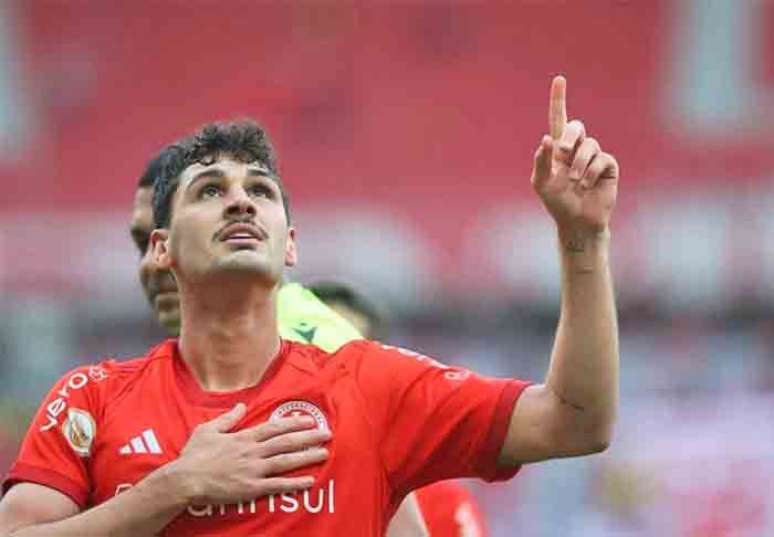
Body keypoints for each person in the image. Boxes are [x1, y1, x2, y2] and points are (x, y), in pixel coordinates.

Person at [0, 76, 620, 536]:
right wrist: (175, 487)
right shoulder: (90, 398)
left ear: (290, 244)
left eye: (261, 191)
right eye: (210, 191)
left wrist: (583, 238)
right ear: (160, 248)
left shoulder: (370, 385)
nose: (240, 202)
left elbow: (575, 421)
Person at [131, 158, 429, 536]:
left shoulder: (319, 351)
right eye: (142, 242)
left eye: (162, 235)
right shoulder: (138, 382)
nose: (149, 264)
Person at [309, 281, 489, 537]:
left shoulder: (439, 502)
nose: (331, 369)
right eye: (314, 349)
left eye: (346, 355)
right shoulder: (255, 477)